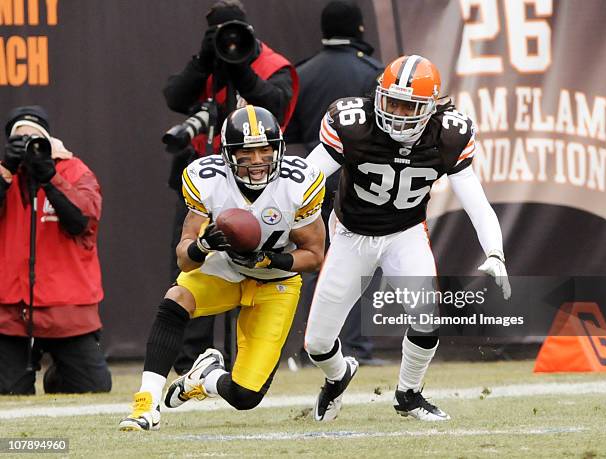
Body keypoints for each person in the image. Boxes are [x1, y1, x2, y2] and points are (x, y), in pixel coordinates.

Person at [304, 55, 512, 422]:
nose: (398, 114)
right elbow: (305, 178)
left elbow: (476, 202)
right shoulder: (354, 124)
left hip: (405, 233)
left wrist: (495, 252)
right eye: (392, 102)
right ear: (378, 96)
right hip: (352, 234)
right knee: (317, 344)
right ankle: (338, 376)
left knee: (427, 314)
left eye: (409, 105)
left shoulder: (447, 134)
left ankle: (409, 394)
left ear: (430, 108)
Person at [119, 105, 325, 431]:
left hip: (276, 282)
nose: (257, 160)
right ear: (228, 154)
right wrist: (204, 246)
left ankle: (206, 377)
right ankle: (146, 403)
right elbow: (183, 258)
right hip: (227, 268)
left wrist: (273, 260)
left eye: (265, 149)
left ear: (279, 149)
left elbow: (314, 256)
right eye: (246, 152)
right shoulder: (207, 179)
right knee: (177, 297)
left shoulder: (298, 185)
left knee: (245, 395)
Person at [163, 0, 299, 374]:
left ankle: (245, 360)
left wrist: (241, 70)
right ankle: (190, 362)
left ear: (249, 33)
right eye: (220, 35)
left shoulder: (271, 64)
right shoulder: (208, 62)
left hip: (261, 183)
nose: (229, 42)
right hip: (207, 183)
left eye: (233, 34)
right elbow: (175, 96)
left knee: (253, 262)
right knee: (195, 262)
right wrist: (203, 60)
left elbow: (279, 106)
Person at [285, 0, 385, 366]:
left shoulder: (303, 73)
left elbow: (292, 130)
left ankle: (310, 346)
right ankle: (355, 346)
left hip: (314, 179)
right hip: (360, 181)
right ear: (359, 29)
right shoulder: (370, 73)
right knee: (360, 260)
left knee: (313, 260)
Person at [0, 106, 111, 395]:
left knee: (93, 389)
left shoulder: (74, 170)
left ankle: (56, 376)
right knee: (8, 393)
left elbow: (83, 222)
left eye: (34, 139)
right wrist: (5, 172)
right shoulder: (4, 172)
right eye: (19, 140)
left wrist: (50, 178)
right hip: (9, 310)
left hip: (67, 307)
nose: (27, 147)